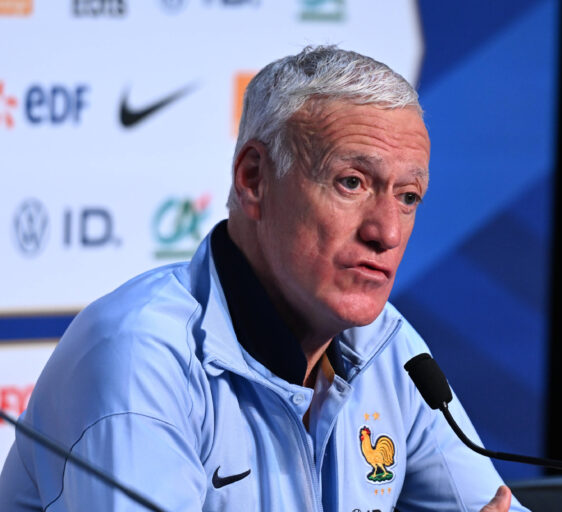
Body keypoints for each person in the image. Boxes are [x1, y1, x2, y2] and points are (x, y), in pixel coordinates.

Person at [0, 46, 529, 512]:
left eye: (408, 197)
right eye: (352, 182)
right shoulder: (139, 357)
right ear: (254, 179)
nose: (387, 232)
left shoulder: (388, 347)